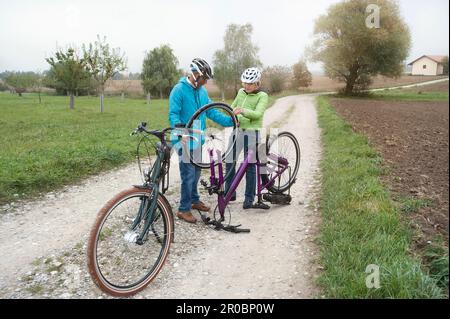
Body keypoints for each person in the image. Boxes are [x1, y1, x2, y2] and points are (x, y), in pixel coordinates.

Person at [169, 58, 233, 223]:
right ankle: (183, 209)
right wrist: (179, 131)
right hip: (183, 139)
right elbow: (173, 114)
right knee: (188, 174)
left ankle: (194, 199)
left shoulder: (202, 92)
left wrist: (231, 120)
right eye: (204, 78)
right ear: (194, 74)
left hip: (198, 139)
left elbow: (212, 112)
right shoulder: (179, 90)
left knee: (196, 172)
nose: (205, 82)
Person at [225, 67, 269, 209]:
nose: (247, 86)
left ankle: (249, 199)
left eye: (250, 84)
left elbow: (257, 114)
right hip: (237, 131)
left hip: (252, 133)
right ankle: (229, 193)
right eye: (245, 83)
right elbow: (233, 107)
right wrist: (235, 116)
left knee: (249, 166)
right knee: (230, 160)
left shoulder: (262, 96)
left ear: (257, 83)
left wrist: (243, 111)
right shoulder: (240, 92)